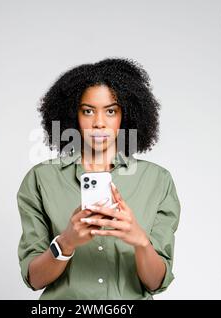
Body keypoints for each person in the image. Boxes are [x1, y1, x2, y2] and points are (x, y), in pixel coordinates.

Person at [17, 58, 181, 300]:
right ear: (73, 115)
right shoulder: (41, 180)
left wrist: (140, 242)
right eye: (88, 111)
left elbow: (156, 282)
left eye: (111, 111)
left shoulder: (158, 181)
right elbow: (34, 279)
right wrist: (66, 242)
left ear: (125, 115)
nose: (99, 123)